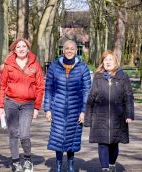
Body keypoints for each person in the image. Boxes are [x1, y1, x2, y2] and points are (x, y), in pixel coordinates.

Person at [0, 38, 45, 172]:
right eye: (18, 47)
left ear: (28, 49)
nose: (21, 49)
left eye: (24, 46)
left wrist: (37, 107)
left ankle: (28, 160)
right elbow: (2, 86)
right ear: (14, 49)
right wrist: (0, 106)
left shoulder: (35, 65)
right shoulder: (8, 64)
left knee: (24, 134)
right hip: (11, 102)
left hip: (28, 104)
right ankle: (16, 162)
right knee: (13, 134)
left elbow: (40, 87)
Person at [44, 40, 91, 172]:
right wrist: (47, 109)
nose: (69, 51)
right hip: (57, 109)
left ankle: (71, 165)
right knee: (58, 138)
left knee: (72, 138)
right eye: (67, 49)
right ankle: (58, 166)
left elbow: (87, 91)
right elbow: (48, 89)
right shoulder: (54, 67)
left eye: (72, 49)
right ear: (62, 50)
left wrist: (83, 111)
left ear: (76, 51)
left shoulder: (83, 67)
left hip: (75, 110)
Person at [85, 50, 134, 172]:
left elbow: (128, 96)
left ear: (116, 62)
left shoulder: (123, 77)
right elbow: (91, 97)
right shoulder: (98, 77)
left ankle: (112, 164)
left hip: (118, 117)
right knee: (102, 144)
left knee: (114, 145)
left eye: (110, 59)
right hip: (100, 117)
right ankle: (105, 169)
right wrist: (88, 117)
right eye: (105, 60)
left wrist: (129, 114)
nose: (107, 62)